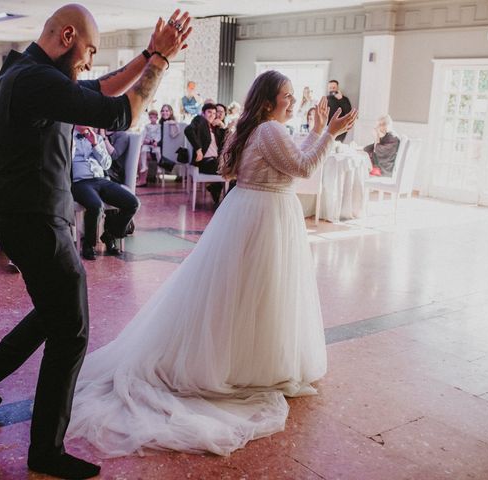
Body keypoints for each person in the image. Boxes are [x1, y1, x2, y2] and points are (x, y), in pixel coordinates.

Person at [66, 70, 357, 457]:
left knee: (245, 293)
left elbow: (292, 161)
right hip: (265, 217)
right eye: (286, 95)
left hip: (254, 211)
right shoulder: (270, 130)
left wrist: (317, 131)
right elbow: (303, 169)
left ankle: (242, 358)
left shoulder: (260, 128)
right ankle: (249, 365)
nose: (292, 101)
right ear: (268, 100)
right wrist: (329, 135)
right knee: (259, 293)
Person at [0, 5, 191, 479]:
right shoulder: (35, 80)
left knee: (55, 311)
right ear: (67, 36)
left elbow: (99, 88)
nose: (88, 61)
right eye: (88, 50)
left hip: (31, 216)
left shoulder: (27, 73)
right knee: (72, 330)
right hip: (38, 222)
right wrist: (161, 63)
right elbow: (121, 113)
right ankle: (45, 450)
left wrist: (148, 53)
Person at [71, 126, 139, 260]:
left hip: (102, 179)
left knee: (132, 203)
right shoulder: (68, 138)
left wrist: (95, 144)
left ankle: (110, 235)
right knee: (95, 206)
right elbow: (64, 162)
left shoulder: (98, 138)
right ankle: (88, 245)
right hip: (80, 182)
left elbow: (107, 164)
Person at [184, 102, 223, 205]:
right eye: (209, 112)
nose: (212, 115)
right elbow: (188, 130)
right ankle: (223, 201)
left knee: (233, 170)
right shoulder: (200, 120)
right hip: (204, 162)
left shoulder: (213, 128)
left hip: (214, 161)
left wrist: (222, 126)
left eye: (214, 113)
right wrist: (198, 149)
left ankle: (217, 192)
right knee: (230, 169)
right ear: (203, 113)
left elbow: (224, 144)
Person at [138, 109, 161, 186]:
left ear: (157, 118)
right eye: (151, 117)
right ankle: (144, 166)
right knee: (143, 151)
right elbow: (144, 134)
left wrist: (156, 141)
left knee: (158, 152)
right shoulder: (147, 126)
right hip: (148, 142)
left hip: (155, 143)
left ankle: (159, 166)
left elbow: (159, 135)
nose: (152, 119)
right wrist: (142, 141)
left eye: (154, 117)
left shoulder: (158, 126)